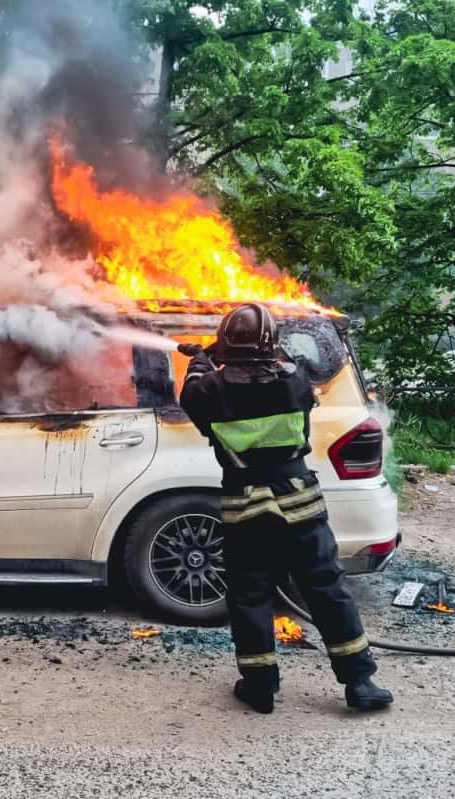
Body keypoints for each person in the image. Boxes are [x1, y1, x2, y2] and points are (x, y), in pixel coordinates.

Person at [178, 303, 393, 714]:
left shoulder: (207, 391)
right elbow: (287, 364)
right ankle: (360, 683)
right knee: (326, 590)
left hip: (246, 509)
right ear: (270, 345)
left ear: (227, 346)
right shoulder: (295, 382)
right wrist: (230, 355)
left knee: (249, 596)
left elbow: (194, 390)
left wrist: (204, 358)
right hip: (299, 503)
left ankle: (259, 686)